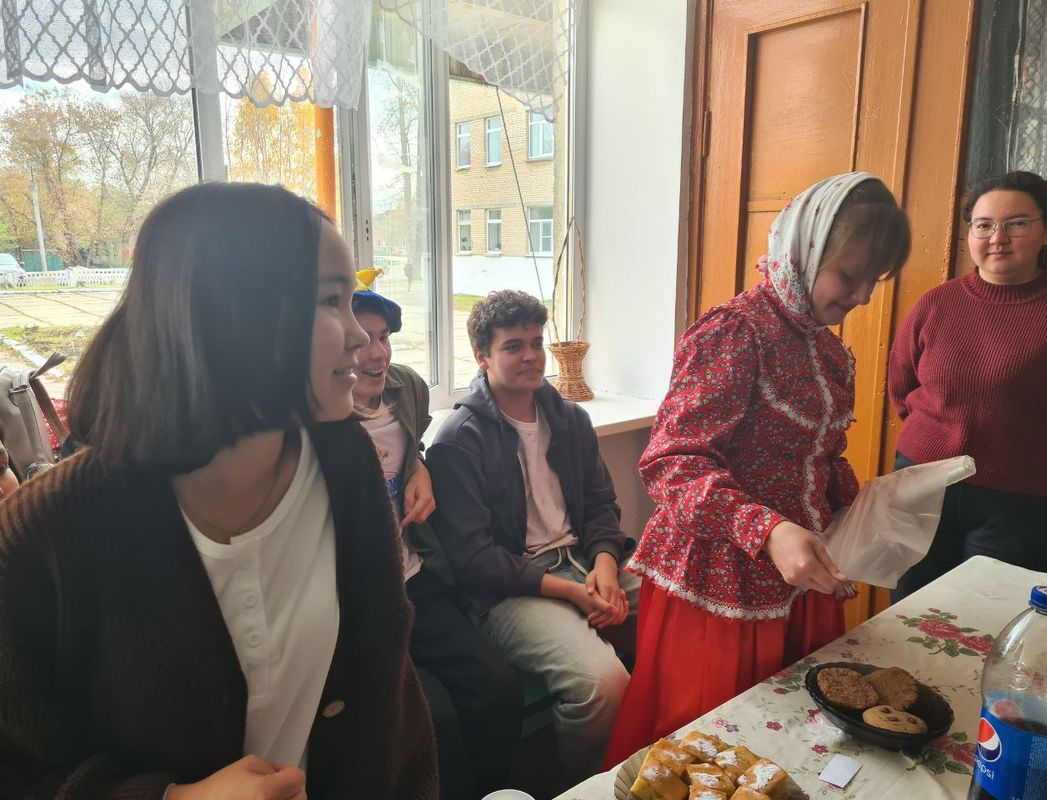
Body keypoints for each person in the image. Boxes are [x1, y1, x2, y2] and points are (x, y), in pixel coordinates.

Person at [0, 183, 438, 799]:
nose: (360, 337)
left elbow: (387, 689)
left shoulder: (344, 460)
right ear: (232, 313)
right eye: (329, 301)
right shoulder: (45, 534)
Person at [604, 173, 911, 766]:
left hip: (802, 572)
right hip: (721, 580)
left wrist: (857, 506)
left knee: (793, 741)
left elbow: (817, 455)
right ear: (805, 250)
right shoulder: (736, 332)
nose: (863, 296)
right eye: (849, 275)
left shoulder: (827, 349)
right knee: (711, 754)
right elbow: (671, 462)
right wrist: (766, 529)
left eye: (873, 279)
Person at [426, 289, 639, 780]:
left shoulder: (569, 419)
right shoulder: (459, 439)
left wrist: (606, 566)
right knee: (603, 683)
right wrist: (573, 593)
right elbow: (474, 558)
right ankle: (585, 786)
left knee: (681, 607)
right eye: (513, 346)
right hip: (509, 591)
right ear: (482, 357)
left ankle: (661, 752)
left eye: (536, 343)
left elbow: (601, 505)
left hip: (584, 561)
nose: (530, 356)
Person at [351, 287, 522, 799]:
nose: (377, 353)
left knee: (496, 685)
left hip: (415, 580)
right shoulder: (316, 419)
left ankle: (497, 792)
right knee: (434, 715)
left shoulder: (406, 386)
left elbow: (411, 439)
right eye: (361, 340)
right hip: (359, 604)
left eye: (384, 337)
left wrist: (419, 465)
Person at [888, 170, 1047, 601]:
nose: (998, 238)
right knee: (907, 610)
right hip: (922, 486)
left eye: (1017, 223)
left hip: (1023, 502)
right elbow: (902, 386)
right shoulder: (937, 303)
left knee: (991, 619)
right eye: (983, 225)